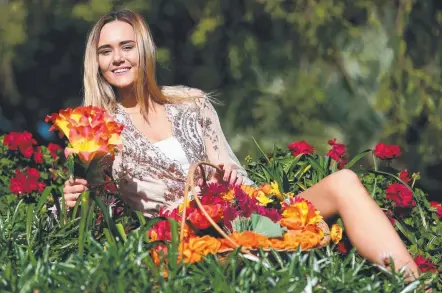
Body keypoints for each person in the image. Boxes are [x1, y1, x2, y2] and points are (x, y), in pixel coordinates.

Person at [63, 8, 420, 279]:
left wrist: (231, 176)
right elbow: (93, 206)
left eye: (127, 46)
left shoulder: (190, 102)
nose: (118, 59)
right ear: (96, 62)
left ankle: (414, 283)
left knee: (344, 181)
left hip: (241, 214)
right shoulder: (99, 127)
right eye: (106, 51)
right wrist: (73, 196)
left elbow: (231, 166)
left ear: (144, 50)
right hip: (187, 238)